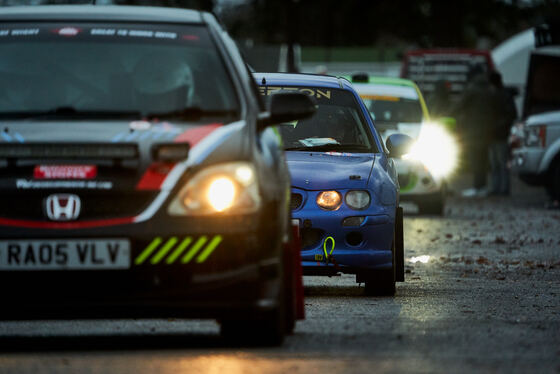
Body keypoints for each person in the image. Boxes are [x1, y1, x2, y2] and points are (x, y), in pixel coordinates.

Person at [455, 65, 496, 197]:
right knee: (483, 160)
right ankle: (482, 187)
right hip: (487, 131)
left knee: (476, 160)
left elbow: (460, 106)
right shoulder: (489, 89)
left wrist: (445, 114)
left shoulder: (472, 89)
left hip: (473, 130)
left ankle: (477, 187)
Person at [488, 71, 517, 196]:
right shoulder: (504, 95)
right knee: (499, 163)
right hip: (499, 133)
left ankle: (500, 188)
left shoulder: (497, 95)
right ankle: (502, 188)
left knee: (497, 163)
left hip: (497, 133)